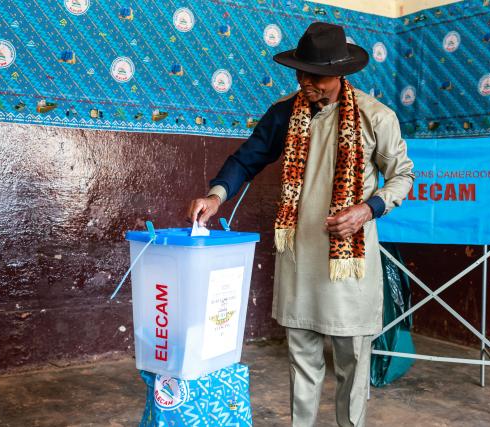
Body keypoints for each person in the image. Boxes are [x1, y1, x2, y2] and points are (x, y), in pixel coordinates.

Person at [187, 22, 414, 427]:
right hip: (300, 259)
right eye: (302, 73)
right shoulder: (283, 114)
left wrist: (367, 209)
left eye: (319, 76)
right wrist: (216, 196)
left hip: (350, 266)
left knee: (353, 361)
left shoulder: (375, 117)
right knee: (303, 362)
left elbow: (402, 177)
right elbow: (247, 158)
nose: (309, 83)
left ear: (342, 73)